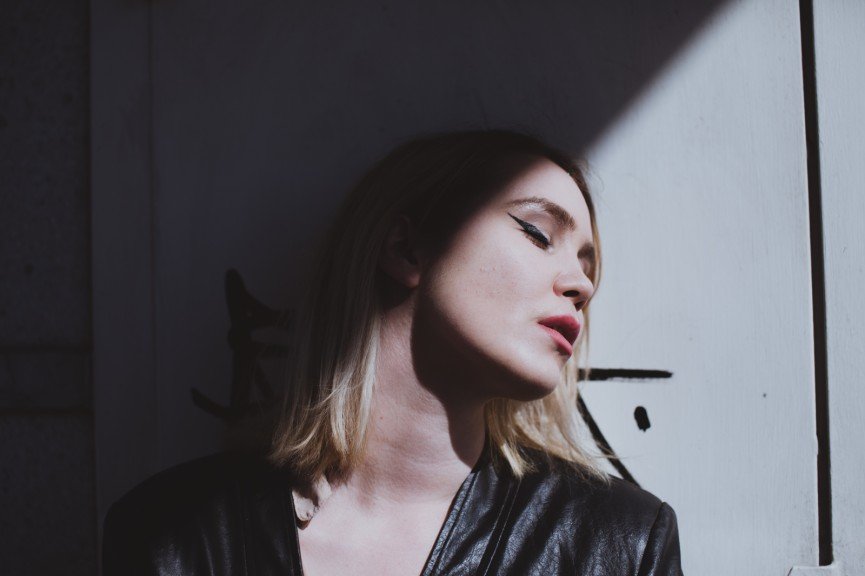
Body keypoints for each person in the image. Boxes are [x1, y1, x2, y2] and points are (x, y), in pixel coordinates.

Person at [103, 130, 683, 575]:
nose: (581, 285)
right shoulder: (178, 535)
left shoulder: (620, 544)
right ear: (406, 248)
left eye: (587, 265)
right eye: (537, 233)